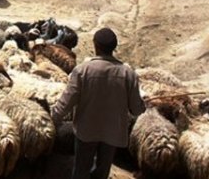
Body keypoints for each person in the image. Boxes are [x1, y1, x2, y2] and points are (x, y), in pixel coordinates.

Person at [51, 28, 146, 179]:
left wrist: (53, 116)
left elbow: (67, 101)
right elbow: (136, 109)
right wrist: (142, 104)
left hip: (86, 131)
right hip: (112, 133)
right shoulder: (128, 74)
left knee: (81, 170)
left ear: (95, 46)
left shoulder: (82, 70)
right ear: (114, 48)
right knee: (102, 172)